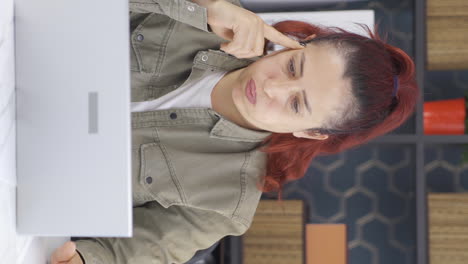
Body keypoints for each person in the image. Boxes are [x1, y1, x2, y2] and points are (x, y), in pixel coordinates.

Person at [50, 0, 420, 263]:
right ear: (297, 42)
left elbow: (137, 253)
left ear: (310, 133)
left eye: (296, 105)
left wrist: (84, 260)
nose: (272, 89)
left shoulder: (227, 203)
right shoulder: (213, 15)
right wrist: (203, 7)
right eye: (292, 67)